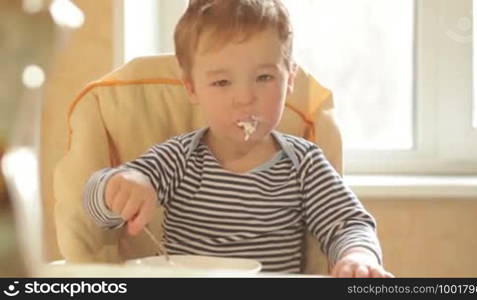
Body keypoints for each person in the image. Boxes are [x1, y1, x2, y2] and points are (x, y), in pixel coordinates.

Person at [84, 0, 393, 277]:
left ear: (290, 80)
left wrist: (358, 257)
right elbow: (97, 207)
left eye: (264, 78)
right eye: (221, 82)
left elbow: (348, 224)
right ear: (191, 88)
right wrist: (120, 186)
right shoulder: (179, 158)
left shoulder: (304, 164)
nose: (245, 98)